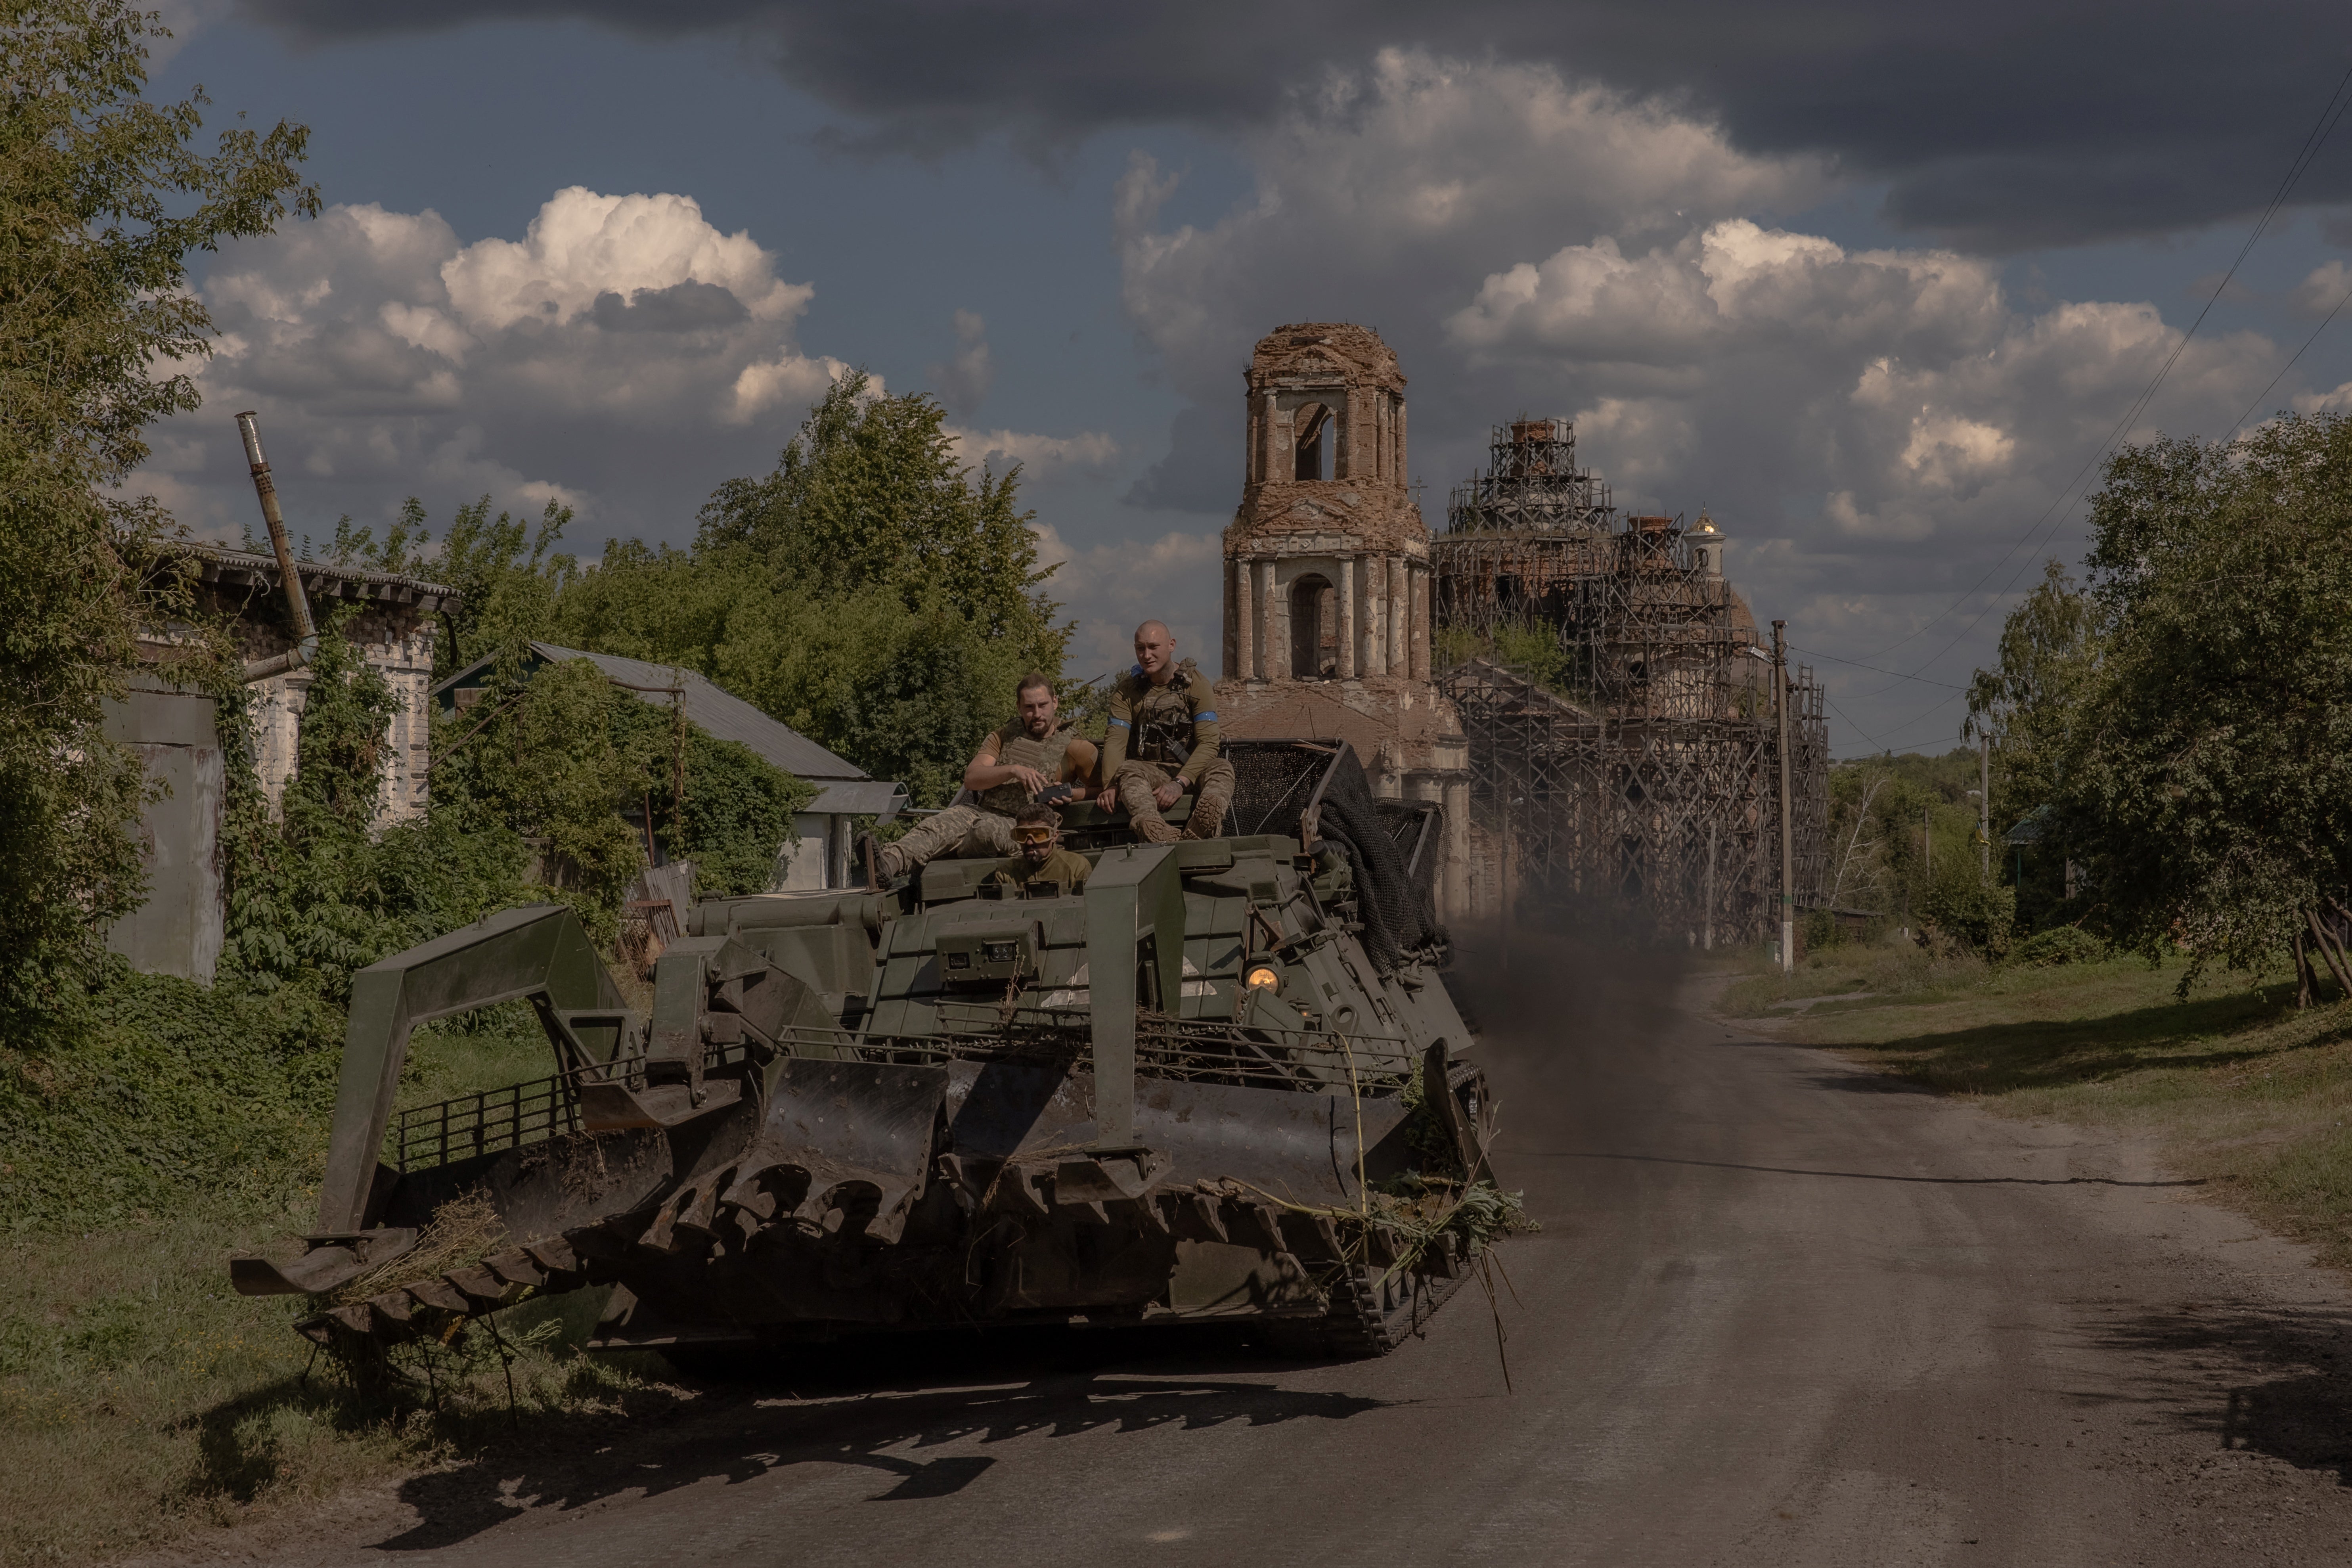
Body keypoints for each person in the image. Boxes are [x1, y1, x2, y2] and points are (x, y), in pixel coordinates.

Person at [869, 672, 1098, 883]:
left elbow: (1104, 789)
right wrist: (1013, 770)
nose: (1037, 714)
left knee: (985, 830)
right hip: (985, 812)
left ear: (1055, 702)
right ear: (1018, 707)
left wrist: (1070, 793)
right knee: (941, 823)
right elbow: (972, 778)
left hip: (1028, 829)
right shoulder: (1003, 737)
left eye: (1043, 705)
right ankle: (888, 863)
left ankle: (943, 854)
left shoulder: (1076, 747)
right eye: (1029, 707)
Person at [1096, 620, 1234, 843]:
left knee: (1221, 768)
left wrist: (1180, 783)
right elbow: (1115, 741)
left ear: (1171, 645)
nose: (1147, 655)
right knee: (1128, 770)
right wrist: (1111, 786)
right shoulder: (1127, 691)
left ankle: (1200, 828)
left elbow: (1209, 743)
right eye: (1141, 649)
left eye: (1153, 647)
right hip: (1149, 772)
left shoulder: (1196, 684)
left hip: (1190, 771)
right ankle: (1153, 827)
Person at [989, 802, 1091, 894]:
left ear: (1054, 836)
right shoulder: (1006, 873)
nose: (1029, 842)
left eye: (1039, 835)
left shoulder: (1076, 867)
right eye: (1022, 835)